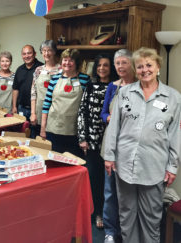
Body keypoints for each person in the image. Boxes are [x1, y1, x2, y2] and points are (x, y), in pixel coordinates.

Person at [103, 47, 181, 243]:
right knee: (126, 216)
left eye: (149, 65)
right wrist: (110, 156)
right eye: (140, 66)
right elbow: (114, 127)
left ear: (157, 67)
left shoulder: (173, 98)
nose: (145, 69)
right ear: (135, 69)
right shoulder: (125, 93)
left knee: (151, 218)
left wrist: (172, 166)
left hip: (154, 167)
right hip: (125, 165)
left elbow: (175, 134)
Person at [77, 54, 116, 229]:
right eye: (99, 65)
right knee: (93, 178)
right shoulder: (90, 86)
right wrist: (82, 138)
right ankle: (94, 212)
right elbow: (82, 112)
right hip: (91, 142)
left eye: (106, 65)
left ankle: (105, 213)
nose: (102, 68)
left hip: (109, 141)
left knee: (107, 181)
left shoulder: (116, 87)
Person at [101, 49, 135, 243]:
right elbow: (104, 113)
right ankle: (110, 232)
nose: (120, 66)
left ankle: (127, 231)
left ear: (131, 64)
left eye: (124, 62)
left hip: (131, 147)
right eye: (117, 63)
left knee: (129, 194)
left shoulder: (140, 87)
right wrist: (109, 118)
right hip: (111, 146)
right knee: (110, 192)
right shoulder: (113, 88)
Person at [41, 49, 90, 156]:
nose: (67, 63)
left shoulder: (85, 80)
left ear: (77, 63)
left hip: (74, 131)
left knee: (74, 163)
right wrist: (43, 129)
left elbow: (87, 107)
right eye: (65, 60)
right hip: (53, 129)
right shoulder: (54, 79)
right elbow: (46, 105)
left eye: (71, 60)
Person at [30, 40, 61, 138]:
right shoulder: (38, 70)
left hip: (54, 113)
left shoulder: (61, 70)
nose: (46, 53)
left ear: (54, 52)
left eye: (49, 50)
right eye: (44, 51)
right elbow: (33, 92)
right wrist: (33, 113)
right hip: (39, 112)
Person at [12, 44, 43, 120]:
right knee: (22, 131)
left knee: (35, 131)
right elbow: (15, 89)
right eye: (24, 54)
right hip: (21, 108)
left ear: (35, 54)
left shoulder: (41, 68)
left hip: (36, 109)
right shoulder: (19, 70)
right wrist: (14, 106)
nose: (27, 56)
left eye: (29, 53)